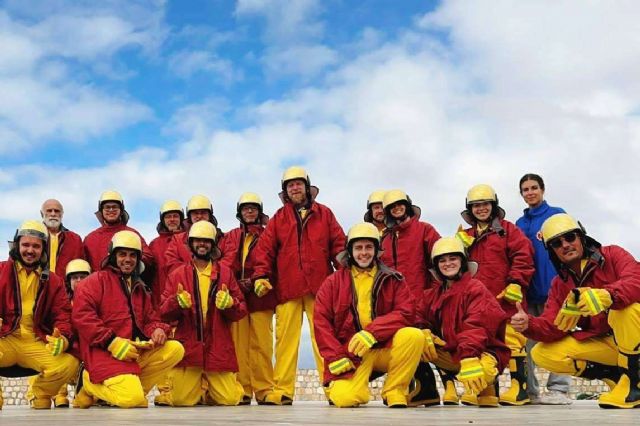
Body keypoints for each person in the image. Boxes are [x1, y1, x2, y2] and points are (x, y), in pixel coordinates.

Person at [511, 213, 640, 409]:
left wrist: (608, 295)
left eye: (570, 237)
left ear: (581, 237)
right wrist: (529, 323)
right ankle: (618, 376)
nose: (565, 245)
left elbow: (636, 279)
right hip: (610, 344)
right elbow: (553, 325)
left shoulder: (613, 255)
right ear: (552, 251)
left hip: (634, 338)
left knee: (626, 308)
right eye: (556, 243)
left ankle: (635, 385)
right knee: (542, 353)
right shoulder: (560, 284)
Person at [252, 166, 346, 405]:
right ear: (285, 191)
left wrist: (346, 274)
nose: (295, 188)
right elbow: (265, 250)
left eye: (299, 183)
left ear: (307, 187)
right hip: (288, 289)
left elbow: (338, 245)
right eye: (290, 185)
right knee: (285, 342)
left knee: (324, 339)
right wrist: (261, 275)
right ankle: (283, 390)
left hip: (320, 289)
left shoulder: (325, 214)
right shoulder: (278, 219)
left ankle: (332, 387)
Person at [72, 230, 184, 408]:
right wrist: (111, 342)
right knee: (132, 400)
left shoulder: (140, 287)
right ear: (112, 256)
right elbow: (83, 317)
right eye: (122, 254)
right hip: (104, 354)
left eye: (133, 255)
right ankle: (89, 383)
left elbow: (150, 319)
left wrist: (157, 329)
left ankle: (130, 391)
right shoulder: (93, 282)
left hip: (133, 352)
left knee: (175, 349)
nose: (128, 259)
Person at [458, 184, 534, 406]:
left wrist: (516, 283)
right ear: (469, 209)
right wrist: (460, 247)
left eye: (485, 204)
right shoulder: (465, 236)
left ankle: (520, 389)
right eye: (476, 206)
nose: (481, 209)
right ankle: (487, 391)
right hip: (478, 304)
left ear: (494, 206)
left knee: (512, 341)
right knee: (482, 343)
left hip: (506, 298)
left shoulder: (508, 230)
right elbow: (452, 267)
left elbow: (524, 256)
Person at [159, 221, 247, 406]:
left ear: (213, 245)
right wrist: (176, 302)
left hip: (217, 347)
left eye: (206, 241)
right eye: (197, 240)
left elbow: (241, 311)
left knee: (230, 399)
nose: (202, 244)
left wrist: (230, 304)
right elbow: (163, 312)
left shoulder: (226, 273)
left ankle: (214, 388)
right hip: (190, 348)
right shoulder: (177, 275)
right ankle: (200, 388)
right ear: (190, 243)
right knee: (180, 401)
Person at [416, 236, 510, 407]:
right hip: (453, 353)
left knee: (482, 373)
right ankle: (428, 390)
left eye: (453, 258)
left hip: (480, 353)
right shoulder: (433, 294)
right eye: (442, 260)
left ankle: (487, 387)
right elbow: (417, 316)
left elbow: (477, 327)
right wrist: (422, 329)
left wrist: (468, 358)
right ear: (436, 266)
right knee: (413, 338)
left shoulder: (476, 288)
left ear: (463, 261)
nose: (448, 263)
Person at [0, 220, 79, 409]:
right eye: (25, 245)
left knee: (69, 363)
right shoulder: (1, 270)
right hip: (5, 337)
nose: (30, 250)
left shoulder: (53, 280)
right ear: (16, 245)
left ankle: (40, 394)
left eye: (36, 246)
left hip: (35, 341)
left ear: (43, 249)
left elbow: (63, 315)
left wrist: (64, 339)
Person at [379, 189, 441, 406]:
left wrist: (430, 294)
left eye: (400, 204)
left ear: (407, 205)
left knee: (429, 344)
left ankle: (431, 389)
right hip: (396, 305)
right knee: (410, 345)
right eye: (392, 206)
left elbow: (441, 262)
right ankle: (424, 391)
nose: (397, 208)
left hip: (422, 299)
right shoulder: (384, 238)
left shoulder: (425, 230)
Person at [515, 173, 572, 404]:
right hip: (530, 292)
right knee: (527, 342)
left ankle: (559, 389)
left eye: (534, 188)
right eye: (525, 189)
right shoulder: (519, 224)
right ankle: (531, 391)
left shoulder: (557, 215)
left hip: (556, 290)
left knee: (558, 336)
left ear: (543, 189)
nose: (530, 192)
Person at [220, 193, 277, 404]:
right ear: (239, 213)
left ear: (259, 212)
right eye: (246, 208)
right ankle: (242, 389)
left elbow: (272, 262)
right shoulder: (231, 236)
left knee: (262, 345)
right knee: (238, 345)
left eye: (253, 208)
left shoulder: (268, 235)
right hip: (238, 299)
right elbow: (224, 264)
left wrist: (259, 281)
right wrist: (232, 286)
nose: (250, 211)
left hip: (262, 296)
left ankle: (264, 389)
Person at [83, 190, 153, 272]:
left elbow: (148, 257)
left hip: (125, 282)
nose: (111, 210)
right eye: (107, 207)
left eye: (115, 207)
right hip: (97, 283)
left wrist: (129, 263)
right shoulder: (90, 238)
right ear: (101, 211)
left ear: (121, 210)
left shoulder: (132, 233)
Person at [165, 194, 224, 274]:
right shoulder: (178, 239)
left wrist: (209, 273)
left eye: (203, 213)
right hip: (186, 284)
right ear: (189, 216)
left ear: (209, 215)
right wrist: (194, 275)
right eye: (195, 213)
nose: (199, 216)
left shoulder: (223, 238)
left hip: (215, 282)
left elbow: (229, 263)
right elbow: (171, 263)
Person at [149, 200, 185, 308]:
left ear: (181, 219)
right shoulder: (154, 244)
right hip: (161, 299)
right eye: (168, 217)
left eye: (175, 216)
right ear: (163, 220)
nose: (172, 219)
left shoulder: (190, 240)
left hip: (186, 297)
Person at [40, 199, 85, 279]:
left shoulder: (75, 240)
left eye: (57, 211)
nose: (53, 214)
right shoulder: (33, 237)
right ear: (42, 214)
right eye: (49, 211)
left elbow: (81, 269)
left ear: (62, 214)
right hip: (36, 288)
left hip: (64, 289)